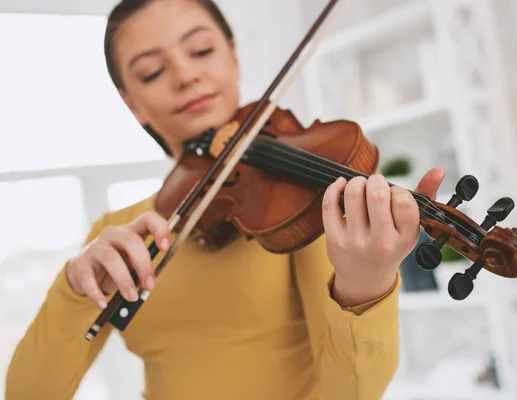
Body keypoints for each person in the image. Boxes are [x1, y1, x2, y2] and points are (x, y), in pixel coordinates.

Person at [5, 0, 445, 399]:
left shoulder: (299, 205)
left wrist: (365, 284)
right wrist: (73, 288)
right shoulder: (117, 238)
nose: (185, 76)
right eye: (152, 72)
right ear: (132, 104)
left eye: (200, 51)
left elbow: (350, 394)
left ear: (233, 56)